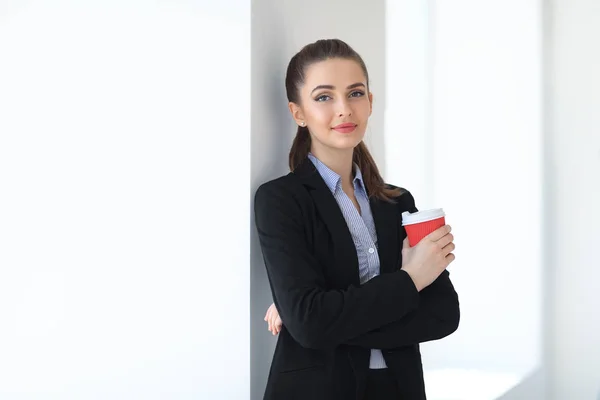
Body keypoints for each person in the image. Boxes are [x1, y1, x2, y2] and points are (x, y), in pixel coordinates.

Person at [254, 38, 460, 400]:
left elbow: (443, 313)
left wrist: (320, 318)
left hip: (399, 388)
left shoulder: (398, 202)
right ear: (298, 112)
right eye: (323, 97)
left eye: (355, 93)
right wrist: (410, 279)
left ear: (370, 102)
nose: (344, 110)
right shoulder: (280, 200)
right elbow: (311, 322)